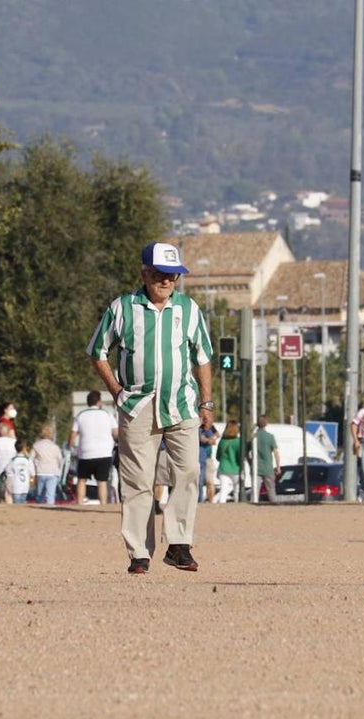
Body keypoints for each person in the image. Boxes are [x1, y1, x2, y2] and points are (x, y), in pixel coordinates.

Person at [87, 241, 213, 575]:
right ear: (145, 273)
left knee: (188, 471)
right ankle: (139, 552)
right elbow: (98, 352)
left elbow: (203, 358)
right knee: (137, 480)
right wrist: (115, 391)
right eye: (159, 273)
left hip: (182, 405)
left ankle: (179, 545)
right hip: (137, 405)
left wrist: (207, 403)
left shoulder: (189, 310)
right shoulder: (122, 308)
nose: (166, 281)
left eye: (172, 275)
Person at [69, 390, 119, 505]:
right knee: (102, 482)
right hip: (104, 453)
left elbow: (73, 435)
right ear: (99, 402)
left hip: (85, 453)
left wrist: (70, 448)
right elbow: (115, 433)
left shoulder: (80, 415)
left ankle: (80, 503)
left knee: (82, 480)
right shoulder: (107, 415)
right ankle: (103, 505)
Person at [31, 423, 64, 504]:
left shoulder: (36, 445)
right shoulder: (55, 446)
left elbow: (30, 458)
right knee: (50, 495)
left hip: (41, 472)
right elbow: (60, 459)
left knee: (40, 495)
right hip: (53, 472)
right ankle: (50, 510)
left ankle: (39, 509)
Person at [254, 414, 280, 503]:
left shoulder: (253, 436)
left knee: (255, 493)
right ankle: (274, 510)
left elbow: (247, 453)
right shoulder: (270, 437)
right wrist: (278, 466)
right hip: (268, 468)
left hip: (256, 468)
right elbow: (276, 452)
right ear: (266, 424)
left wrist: (250, 463)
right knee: (271, 492)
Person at [214, 419, 242, 503]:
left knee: (223, 490)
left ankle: (221, 509)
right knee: (237, 491)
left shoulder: (222, 441)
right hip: (236, 469)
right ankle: (238, 509)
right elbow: (240, 457)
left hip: (223, 468)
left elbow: (218, 457)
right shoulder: (238, 442)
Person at [198, 411, 219, 502]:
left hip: (208, 459)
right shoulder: (199, 428)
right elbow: (202, 439)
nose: (207, 420)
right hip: (199, 459)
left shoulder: (212, 428)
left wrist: (211, 439)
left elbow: (217, 435)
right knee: (199, 482)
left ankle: (210, 501)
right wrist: (208, 440)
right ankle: (199, 501)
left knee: (210, 482)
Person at [5, 439, 34, 504]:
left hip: (16, 487)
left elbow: (8, 472)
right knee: (23, 505)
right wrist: (31, 484)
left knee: (17, 506)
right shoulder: (28, 460)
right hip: (25, 487)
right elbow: (32, 474)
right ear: (24, 448)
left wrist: (9, 484)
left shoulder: (13, 460)